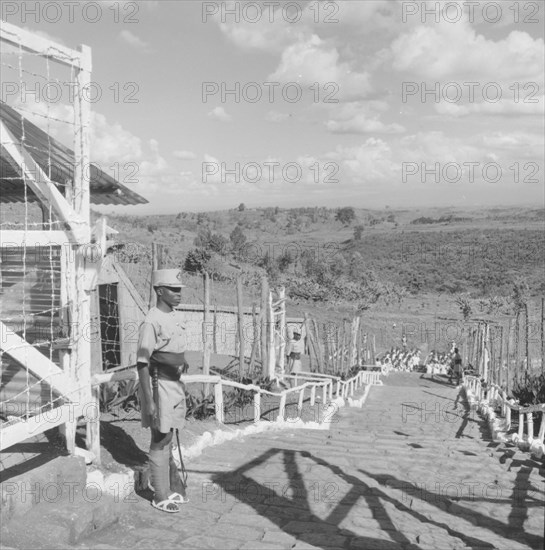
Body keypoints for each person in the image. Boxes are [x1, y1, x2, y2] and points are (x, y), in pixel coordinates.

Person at [137, 268, 189, 513]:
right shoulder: (151, 320)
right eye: (173, 289)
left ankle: (167, 487)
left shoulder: (175, 316)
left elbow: (173, 349)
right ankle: (159, 494)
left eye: (179, 289)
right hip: (160, 386)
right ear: (159, 291)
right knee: (159, 437)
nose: (178, 294)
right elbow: (142, 363)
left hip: (175, 384)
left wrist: (181, 363)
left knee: (168, 435)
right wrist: (149, 402)